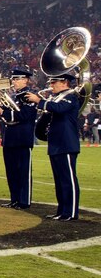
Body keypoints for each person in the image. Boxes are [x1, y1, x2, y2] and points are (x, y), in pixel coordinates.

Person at [25, 73, 81, 220]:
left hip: (67, 143)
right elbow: (49, 114)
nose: (51, 85)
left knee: (68, 179)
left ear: (64, 83)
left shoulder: (70, 96)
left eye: (54, 83)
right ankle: (62, 211)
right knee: (59, 180)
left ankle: (72, 212)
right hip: (56, 143)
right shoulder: (56, 98)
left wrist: (40, 101)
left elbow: (60, 109)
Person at [0, 68, 37, 209]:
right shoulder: (14, 96)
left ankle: (24, 201)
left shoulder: (28, 96)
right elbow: (7, 115)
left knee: (23, 171)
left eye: (17, 79)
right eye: (13, 79)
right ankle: (15, 199)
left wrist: (4, 112)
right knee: (11, 171)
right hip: (9, 138)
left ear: (26, 80)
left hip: (23, 138)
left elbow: (25, 115)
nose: (14, 82)